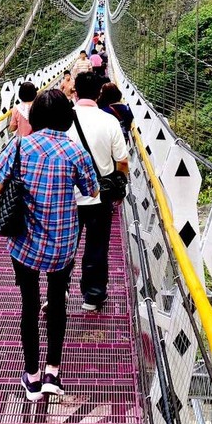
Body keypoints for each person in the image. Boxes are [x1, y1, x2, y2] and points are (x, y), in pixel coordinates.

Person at [0, 89, 99, 402]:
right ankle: (53, 371)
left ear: (34, 116)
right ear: (67, 117)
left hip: (24, 242)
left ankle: (32, 378)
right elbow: (91, 192)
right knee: (57, 304)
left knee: (28, 305)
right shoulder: (76, 152)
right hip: (63, 243)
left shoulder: (21, 145)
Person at [68, 72, 129, 311]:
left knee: (65, 246)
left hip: (66, 195)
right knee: (97, 246)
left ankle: (58, 292)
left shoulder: (62, 120)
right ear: (99, 93)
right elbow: (122, 162)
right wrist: (119, 187)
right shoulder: (109, 121)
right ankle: (92, 297)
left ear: (75, 92)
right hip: (100, 194)